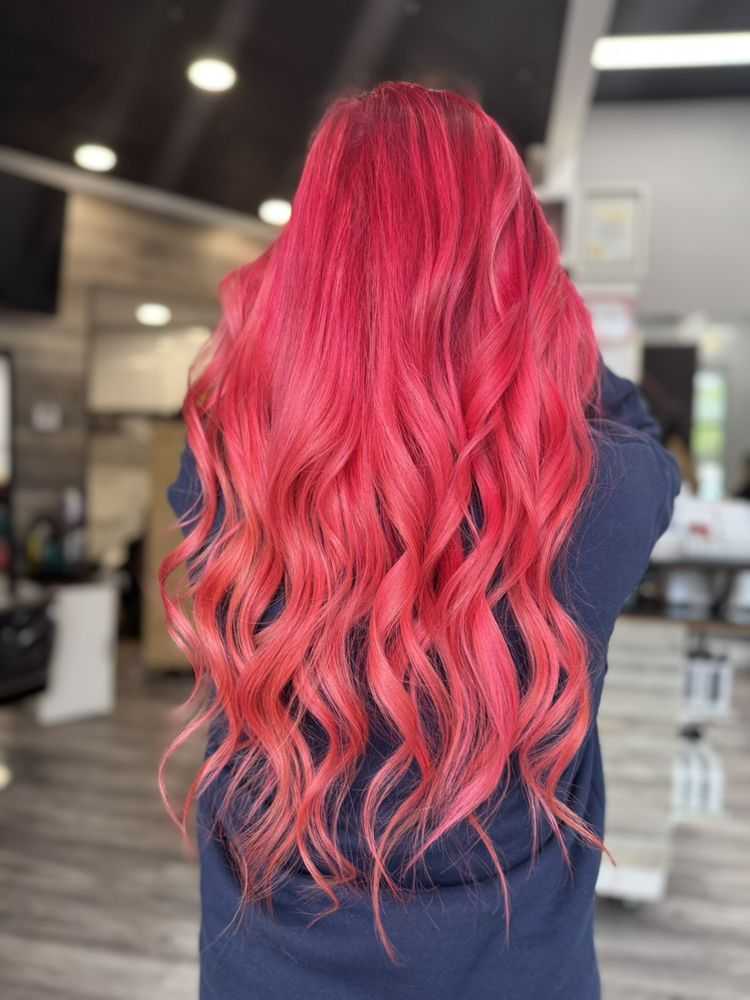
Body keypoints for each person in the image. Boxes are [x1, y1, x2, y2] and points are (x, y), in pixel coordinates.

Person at [161, 83, 680, 1000]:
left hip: (263, 973)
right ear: (518, 267)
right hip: (516, 975)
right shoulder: (603, 492)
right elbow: (634, 423)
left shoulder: (224, 473)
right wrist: (547, 324)